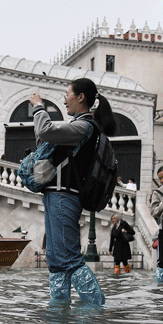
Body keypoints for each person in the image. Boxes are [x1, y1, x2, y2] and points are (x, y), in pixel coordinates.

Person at [30, 77, 116, 305]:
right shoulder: (80, 126)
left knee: (68, 258)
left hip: (64, 196)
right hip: (56, 195)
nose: (64, 99)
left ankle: (96, 308)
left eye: (67, 94)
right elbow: (45, 142)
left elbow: (46, 130)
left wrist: (39, 107)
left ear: (81, 97)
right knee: (56, 260)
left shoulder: (84, 125)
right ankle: (58, 313)